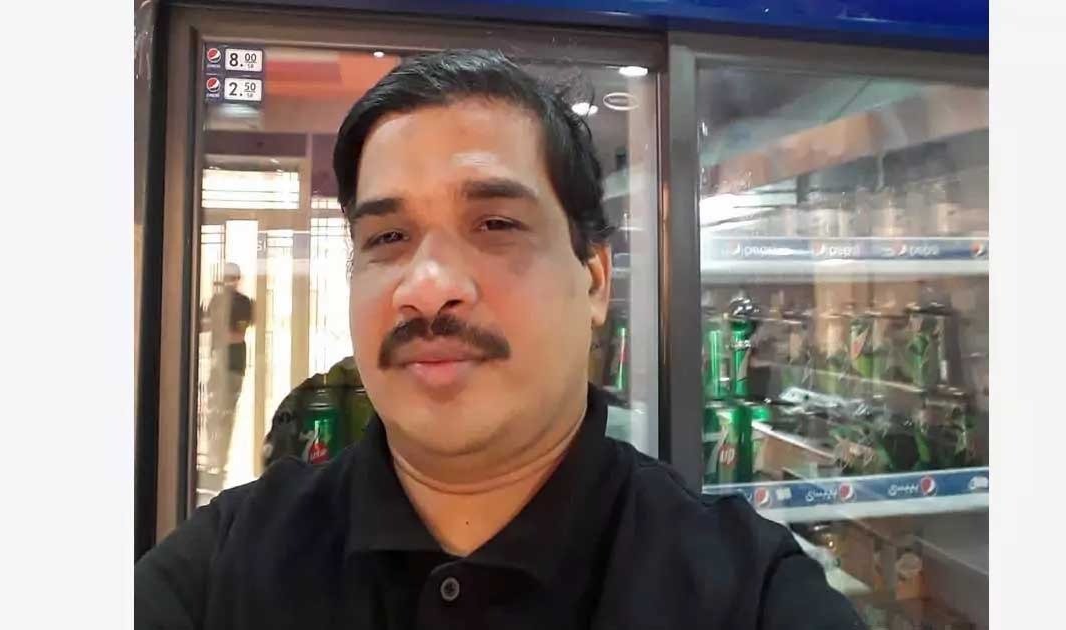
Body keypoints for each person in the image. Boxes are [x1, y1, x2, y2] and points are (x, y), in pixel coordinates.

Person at [136, 50, 863, 629]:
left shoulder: (748, 595)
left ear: (595, 281)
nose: (427, 287)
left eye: (495, 224)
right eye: (387, 237)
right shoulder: (220, 569)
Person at [200, 262, 254, 480]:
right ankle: (213, 458)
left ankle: (221, 461)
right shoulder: (216, 300)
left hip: (233, 365)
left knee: (226, 413)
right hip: (217, 364)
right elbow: (204, 325)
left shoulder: (243, 303)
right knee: (212, 413)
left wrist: (219, 328)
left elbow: (238, 334)